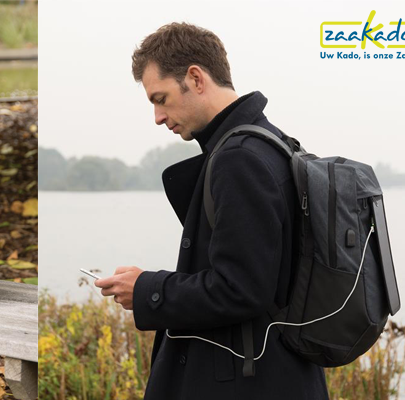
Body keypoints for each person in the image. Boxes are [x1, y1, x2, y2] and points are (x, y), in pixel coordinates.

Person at [94, 22, 329, 399]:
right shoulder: (273, 142)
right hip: (278, 374)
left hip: (245, 384)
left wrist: (146, 290)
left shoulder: (240, 159)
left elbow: (240, 289)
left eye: (161, 98)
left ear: (195, 78)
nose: (157, 116)